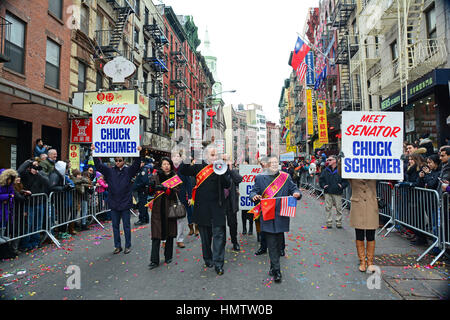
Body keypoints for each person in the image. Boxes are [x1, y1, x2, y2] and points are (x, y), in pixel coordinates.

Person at [179, 144, 231, 275]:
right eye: (212, 155)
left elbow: (227, 184)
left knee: (219, 236)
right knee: (205, 238)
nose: (215, 157)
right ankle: (208, 258)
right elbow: (184, 171)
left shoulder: (220, 167)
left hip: (217, 208)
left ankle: (219, 263)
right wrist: (186, 157)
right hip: (202, 208)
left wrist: (224, 169)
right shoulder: (198, 166)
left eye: (216, 155)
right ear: (206, 155)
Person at [249, 156, 301, 283]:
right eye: (271, 163)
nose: (274, 165)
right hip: (267, 214)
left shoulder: (285, 177)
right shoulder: (260, 178)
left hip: (281, 214)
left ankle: (273, 266)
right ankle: (277, 271)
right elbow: (253, 191)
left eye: (276, 163)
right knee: (271, 243)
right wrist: (254, 196)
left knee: (277, 243)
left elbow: (294, 189)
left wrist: (297, 194)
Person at [92, 144, 142, 254]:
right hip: (114, 202)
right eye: (116, 160)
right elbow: (99, 166)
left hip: (125, 202)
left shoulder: (128, 171)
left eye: (119, 160)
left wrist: (138, 153)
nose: (117, 162)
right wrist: (95, 153)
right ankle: (117, 246)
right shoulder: (110, 171)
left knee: (126, 226)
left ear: (124, 161)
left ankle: (127, 245)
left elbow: (136, 165)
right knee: (115, 226)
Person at [148, 157, 180, 269]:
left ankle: (168, 256)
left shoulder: (174, 177)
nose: (166, 166)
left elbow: (176, 192)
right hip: (157, 209)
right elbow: (150, 191)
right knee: (156, 235)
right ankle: (154, 260)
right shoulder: (155, 176)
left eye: (168, 164)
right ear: (161, 166)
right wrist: (151, 186)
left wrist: (165, 189)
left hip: (170, 207)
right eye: (164, 164)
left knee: (170, 234)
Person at [17, 160, 49, 251]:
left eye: (37, 166)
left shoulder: (39, 176)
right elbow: (19, 171)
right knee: (28, 225)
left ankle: (35, 242)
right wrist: (29, 162)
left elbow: (47, 182)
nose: (35, 168)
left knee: (37, 225)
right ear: (29, 168)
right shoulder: (25, 175)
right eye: (34, 167)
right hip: (28, 204)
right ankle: (25, 244)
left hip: (39, 203)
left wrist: (39, 172)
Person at [349, 179, 379, 273]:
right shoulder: (353, 174)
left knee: (371, 235)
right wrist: (340, 163)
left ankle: (370, 262)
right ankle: (362, 261)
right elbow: (342, 172)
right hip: (358, 206)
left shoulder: (374, 173)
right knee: (359, 235)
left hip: (371, 205)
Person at [319, 155, 348, 229]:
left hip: (337, 191)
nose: (328, 161)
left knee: (339, 208)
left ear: (335, 160)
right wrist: (323, 185)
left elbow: (346, 180)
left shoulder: (340, 170)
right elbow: (321, 179)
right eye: (328, 160)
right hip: (328, 191)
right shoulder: (326, 170)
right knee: (328, 207)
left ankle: (339, 222)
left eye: (330, 160)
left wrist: (341, 186)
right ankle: (329, 222)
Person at [171, 151, 193, 248]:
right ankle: (165, 240)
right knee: (169, 219)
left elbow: (188, 183)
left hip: (181, 196)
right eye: (174, 156)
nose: (176, 158)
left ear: (180, 158)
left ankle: (180, 240)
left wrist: (190, 197)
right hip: (169, 197)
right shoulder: (167, 167)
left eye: (177, 156)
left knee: (180, 219)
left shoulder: (183, 168)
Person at [223, 156, 243, 251]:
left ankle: (234, 242)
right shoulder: (217, 170)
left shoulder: (232, 171)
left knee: (233, 224)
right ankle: (221, 243)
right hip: (221, 202)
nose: (225, 162)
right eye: (223, 160)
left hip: (231, 202)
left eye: (227, 160)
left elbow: (239, 179)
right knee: (220, 225)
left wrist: (231, 169)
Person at [134, 159, 152, 226]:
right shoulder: (141, 170)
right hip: (142, 190)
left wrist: (136, 186)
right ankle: (146, 218)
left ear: (143, 163)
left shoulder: (143, 170)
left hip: (142, 190)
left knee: (142, 206)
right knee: (144, 205)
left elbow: (143, 181)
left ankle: (142, 219)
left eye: (140, 162)